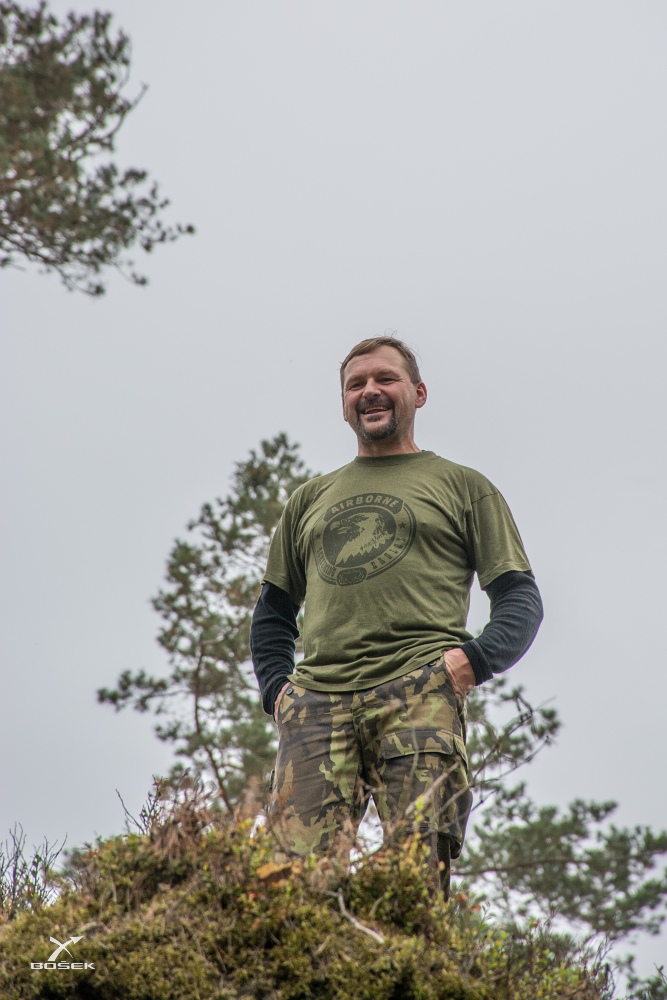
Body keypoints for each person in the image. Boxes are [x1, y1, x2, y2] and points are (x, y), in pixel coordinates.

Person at [250, 336, 543, 894]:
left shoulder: (464, 487)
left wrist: (469, 664)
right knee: (292, 890)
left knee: (416, 884)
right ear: (344, 404)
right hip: (315, 706)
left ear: (418, 393)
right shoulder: (309, 500)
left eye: (385, 378)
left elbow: (519, 596)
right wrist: (278, 693)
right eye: (355, 384)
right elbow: (272, 612)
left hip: (418, 693)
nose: (370, 391)